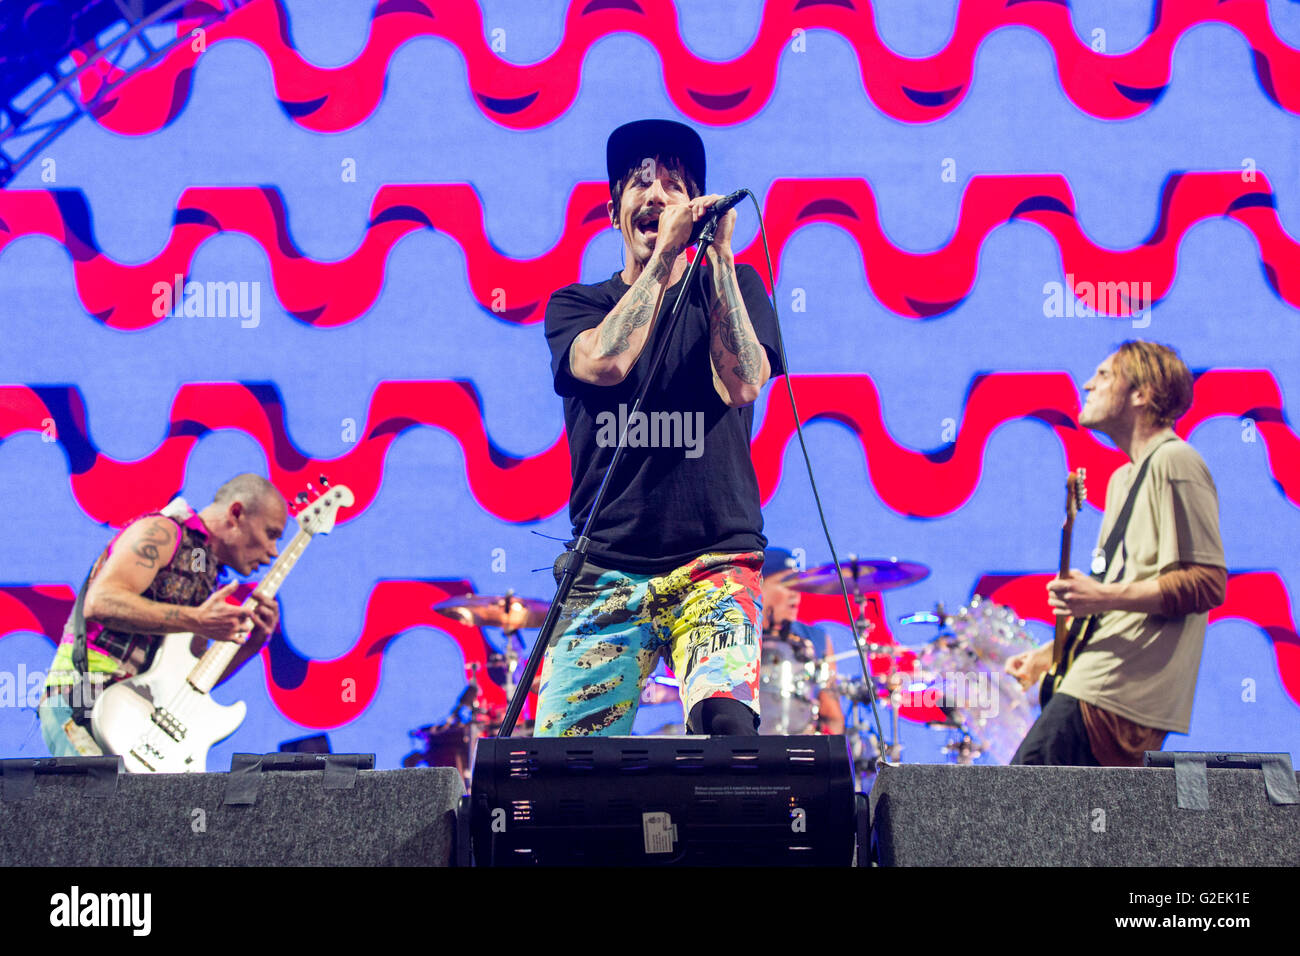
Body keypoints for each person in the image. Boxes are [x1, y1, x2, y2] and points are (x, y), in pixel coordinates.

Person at [538, 119, 783, 737]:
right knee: (565, 771)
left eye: (674, 185)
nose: (656, 196)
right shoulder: (577, 305)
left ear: (696, 207)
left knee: (728, 732)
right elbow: (606, 362)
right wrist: (664, 259)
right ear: (613, 210)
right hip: (606, 568)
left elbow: (744, 381)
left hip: (715, 563)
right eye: (639, 184)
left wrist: (720, 256)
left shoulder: (737, 288)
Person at [1006, 341, 1226, 766]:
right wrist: (1049, 655)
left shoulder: (1177, 460)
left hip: (1122, 688)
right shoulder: (1123, 478)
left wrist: (1102, 596)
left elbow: (1207, 582)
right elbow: (1112, 598)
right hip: (1099, 674)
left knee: (1022, 805)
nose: (1088, 384)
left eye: (1104, 375)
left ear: (1140, 393)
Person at [38, 474, 285, 756]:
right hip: (82, 699)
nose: (273, 552)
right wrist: (197, 620)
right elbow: (101, 601)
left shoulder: (202, 568)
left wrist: (254, 644)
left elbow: (187, 684)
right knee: (100, 799)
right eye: (271, 534)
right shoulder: (162, 531)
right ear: (236, 513)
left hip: (133, 714)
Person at [760, 548, 844, 734]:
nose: (795, 594)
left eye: (797, 585)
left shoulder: (816, 640)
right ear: (757, 586)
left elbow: (832, 716)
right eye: (786, 584)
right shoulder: (737, 635)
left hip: (800, 747)